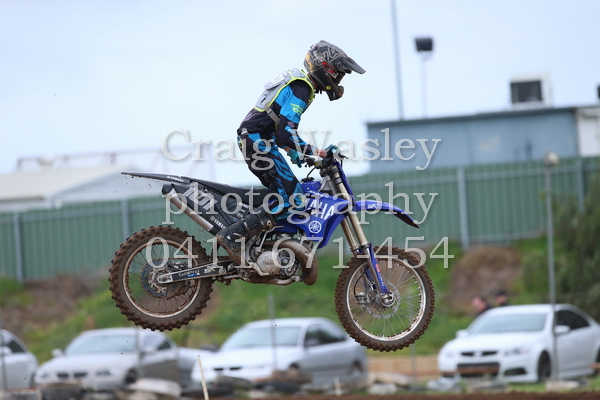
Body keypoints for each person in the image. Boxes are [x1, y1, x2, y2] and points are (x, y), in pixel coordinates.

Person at [217, 40, 365, 265]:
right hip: (257, 141)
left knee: (289, 194)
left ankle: (270, 245)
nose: (338, 81)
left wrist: (294, 152)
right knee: (292, 198)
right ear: (324, 68)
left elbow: (279, 130)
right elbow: (286, 133)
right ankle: (233, 236)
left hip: (258, 139)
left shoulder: (299, 82)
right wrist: (319, 153)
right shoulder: (302, 88)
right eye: (338, 75)